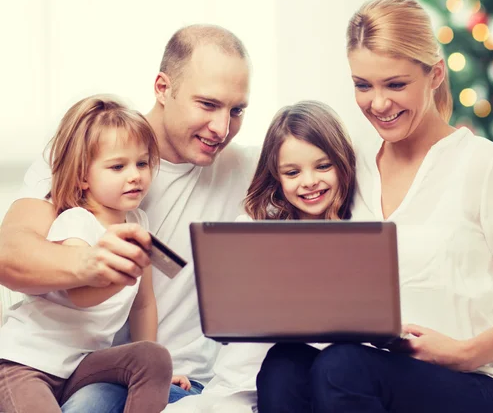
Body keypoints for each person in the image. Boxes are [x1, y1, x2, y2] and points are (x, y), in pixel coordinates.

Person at [256, 0, 493, 413]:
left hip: (488, 386)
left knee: (341, 367)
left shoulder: (486, 166)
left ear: (434, 75)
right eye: (363, 85)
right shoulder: (353, 167)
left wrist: (464, 352)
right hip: (384, 376)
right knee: (284, 364)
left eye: (395, 84)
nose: (377, 104)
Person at [0, 25, 259, 412]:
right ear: (162, 88)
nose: (223, 129)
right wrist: (95, 265)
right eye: (207, 104)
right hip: (72, 371)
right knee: (87, 405)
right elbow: (10, 254)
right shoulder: (88, 156)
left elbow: (144, 302)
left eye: (236, 110)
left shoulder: (251, 169)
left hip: (180, 379)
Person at [162, 100, 358, 413]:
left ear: (343, 163)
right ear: (277, 177)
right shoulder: (253, 229)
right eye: (292, 172)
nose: (309, 181)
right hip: (240, 384)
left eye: (322, 166)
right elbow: (229, 313)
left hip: (311, 382)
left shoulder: (359, 233)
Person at [0, 95, 176, 412]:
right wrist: (124, 271)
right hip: (26, 363)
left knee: (154, 356)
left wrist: (157, 366)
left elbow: (144, 303)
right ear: (83, 176)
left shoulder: (139, 223)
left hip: (78, 365)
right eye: (118, 166)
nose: (135, 175)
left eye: (142, 163)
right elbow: (81, 294)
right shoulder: (76, 220)